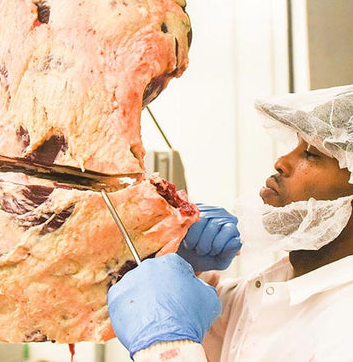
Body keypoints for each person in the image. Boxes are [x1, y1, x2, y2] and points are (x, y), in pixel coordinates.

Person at [107, 84, 353, 361]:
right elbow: (208, 325)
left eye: (311, 154)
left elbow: (176, 334)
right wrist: (183, 265)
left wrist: (166, 347)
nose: (281, 162)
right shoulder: (275, 285)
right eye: (295, 146)